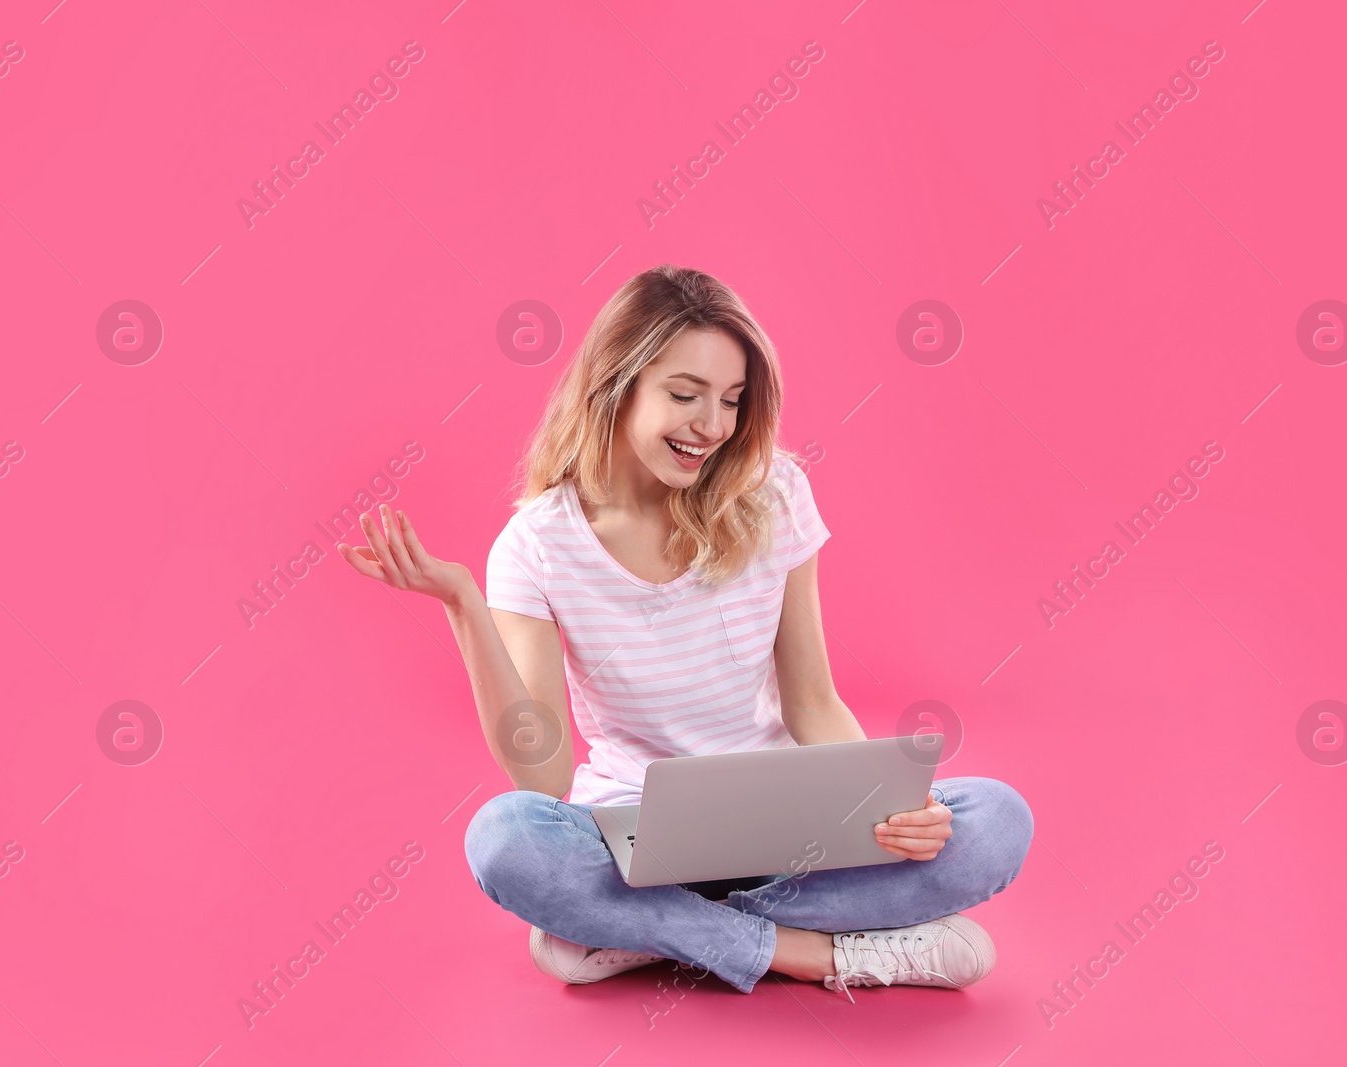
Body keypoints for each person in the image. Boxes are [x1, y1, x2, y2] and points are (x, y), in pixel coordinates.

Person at [338, 265, 1033, 998]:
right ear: (617, 382)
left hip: (788, 831)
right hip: (633, 840)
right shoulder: (537, 544)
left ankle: (636, 933)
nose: (714, 427)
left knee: (995, 819)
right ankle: (819, 953)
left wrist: (881, 806)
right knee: (505, 838)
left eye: (732, 400)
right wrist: (462, 606)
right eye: (684, 395)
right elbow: (542, 777)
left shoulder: (774, 493)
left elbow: (813, 702)